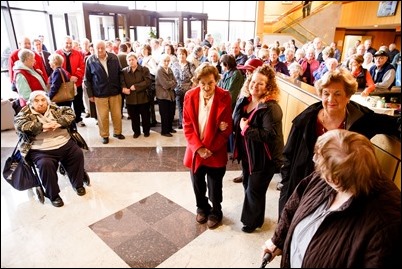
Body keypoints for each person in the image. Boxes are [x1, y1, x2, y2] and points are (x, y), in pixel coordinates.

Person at [262, 129, 401, 268]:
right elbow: (294, 204)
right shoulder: (327, 174)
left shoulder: (386, 225)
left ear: (335, 180)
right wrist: (278, 240)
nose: (316, 164)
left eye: (318, 160)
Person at [278, 67, 401, 218]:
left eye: (337, 94)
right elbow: (288, 157)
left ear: (348, 96)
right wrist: (286, 189)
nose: (330, 99)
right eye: (326, 93)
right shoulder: (305, 120)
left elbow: (394, 124)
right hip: (304, 187)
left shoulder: (362, 119)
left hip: (340, 193)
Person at [232, 65, 284, 233]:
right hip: (248, 155)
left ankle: (251, 222)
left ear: (268, 86)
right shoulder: (245, 100)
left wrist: (247, 129)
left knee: (254, 189)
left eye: (261, 83)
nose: (255, 85)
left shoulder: (271, 107)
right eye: (253, 81)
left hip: (263, 158)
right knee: (249, 185)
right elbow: (235, 121)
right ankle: (256, 218)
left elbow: (270, 135)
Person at [14, 91, 86, 207]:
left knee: (77, 153)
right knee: (45, 164)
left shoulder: (54, 108)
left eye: (43, 100)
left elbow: (70, 113)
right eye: (36, 101)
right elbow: (19, 124)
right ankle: (53, 195)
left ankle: (78, 184)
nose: (41, 104)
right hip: (41, 149)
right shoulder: (25, 113)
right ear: (31, 103)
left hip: (64, 143)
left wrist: (59, 123)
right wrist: (41, 127)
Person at [182, 62, 233, 229]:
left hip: (215, 151)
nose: (206, 87)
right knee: (197, 183)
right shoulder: (189, 95)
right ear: (197, 81)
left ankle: (216, 211)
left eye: (210, 82)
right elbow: (187, 125)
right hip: (196, 150)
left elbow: (226, 129)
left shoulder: (224, 96)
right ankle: (202, 207)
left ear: (216, 80)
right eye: (202, 83)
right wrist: (199, 148)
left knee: (215, 186)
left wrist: (209, 149)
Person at [84, 40, 125, 144]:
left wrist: (122, 87)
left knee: (117, 114)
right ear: (94, 49)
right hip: (99, 93)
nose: (100, 50)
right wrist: (90, 94)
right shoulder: (90, 60)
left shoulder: (114, 57)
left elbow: (120, 73)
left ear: (105, 47)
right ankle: (104, 135)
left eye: (102, 47)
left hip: (115, 91)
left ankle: (117, 132)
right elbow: (87, 79)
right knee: (103, 116)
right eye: (98, 48)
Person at [55, 36, 86, 127]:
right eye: (66, 43)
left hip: (77, 82)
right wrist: (69, 77)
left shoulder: (78, 53)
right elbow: (57, 67)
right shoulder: (57, 53)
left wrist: (75, 76)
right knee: (66, 103)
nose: (68, 45)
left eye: (70, 43)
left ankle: (78, 118)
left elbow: (82, 66)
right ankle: (67, 120)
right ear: (63, 44)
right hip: (64, 83)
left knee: (78, 102)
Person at [121, 52, 152, 138]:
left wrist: (136, 86)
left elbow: (148, 82)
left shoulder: (144, 69)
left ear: (136, 60)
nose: (131, 61)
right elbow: (121, 82)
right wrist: (123, 88)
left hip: (143, 97)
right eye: (129, 60)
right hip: (130, 98)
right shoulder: (124, 71)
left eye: (133, 59)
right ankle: (136, 132)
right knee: (134, 117)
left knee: (145, 116)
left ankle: (146, 131)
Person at [171, 47, 196, 129]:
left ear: (186, 55)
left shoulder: (190, 65)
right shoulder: (174, 65)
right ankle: (181, 122)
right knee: (180, 107)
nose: (181, 56)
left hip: (188, 89)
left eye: (183, 54)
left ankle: (188, 122)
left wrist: (192, 86)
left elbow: (195, 77)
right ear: (177, 55)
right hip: (177, 89)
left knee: (187, 107)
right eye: (180, 54)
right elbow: (171, 76)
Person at [155, 53, 177, 137]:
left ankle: (170, 128)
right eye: (165, 61)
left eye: (168, 61)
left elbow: (175, 82)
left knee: (171, 113)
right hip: (163, 96)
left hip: (170, 95)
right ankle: (164, 131)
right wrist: (171, 83)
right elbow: (165, 84)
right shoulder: (159, 70)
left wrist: (171, 84)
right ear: (161, 61)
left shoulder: (170, 69)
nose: (167, 63)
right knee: (164, 114)